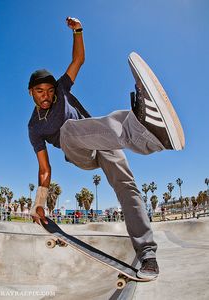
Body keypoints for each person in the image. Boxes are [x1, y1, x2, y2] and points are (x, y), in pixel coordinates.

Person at [29, 17, 185, 280]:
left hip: (103, 140)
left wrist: (78, 31)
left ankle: (147, 253)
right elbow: (45, 169)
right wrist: (39, 203)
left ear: (54, 89)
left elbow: (77, 60)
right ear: (31, 93)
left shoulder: (62, 90)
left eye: (48, 90)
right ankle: (142, 128)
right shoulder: (34, 127)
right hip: (79, 152)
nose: (46, 96)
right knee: (68, 130)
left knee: (127, 186)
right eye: (39, 92)